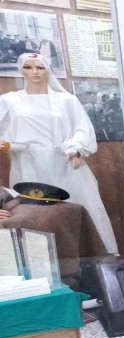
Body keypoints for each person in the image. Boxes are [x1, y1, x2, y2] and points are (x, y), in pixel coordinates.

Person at [0, 53, 118, 254]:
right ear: (21, 70)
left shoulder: (67, 100)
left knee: (76, 204)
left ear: (48, 70)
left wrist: (75, 148)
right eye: (28, 67)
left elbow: (82, 128)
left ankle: (91, 252)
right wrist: (9, 144)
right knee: (33, 212)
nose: (35, 72)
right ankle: (40, 257)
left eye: (40, 67)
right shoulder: (10, 100)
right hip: (27, 164)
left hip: (63, 163)